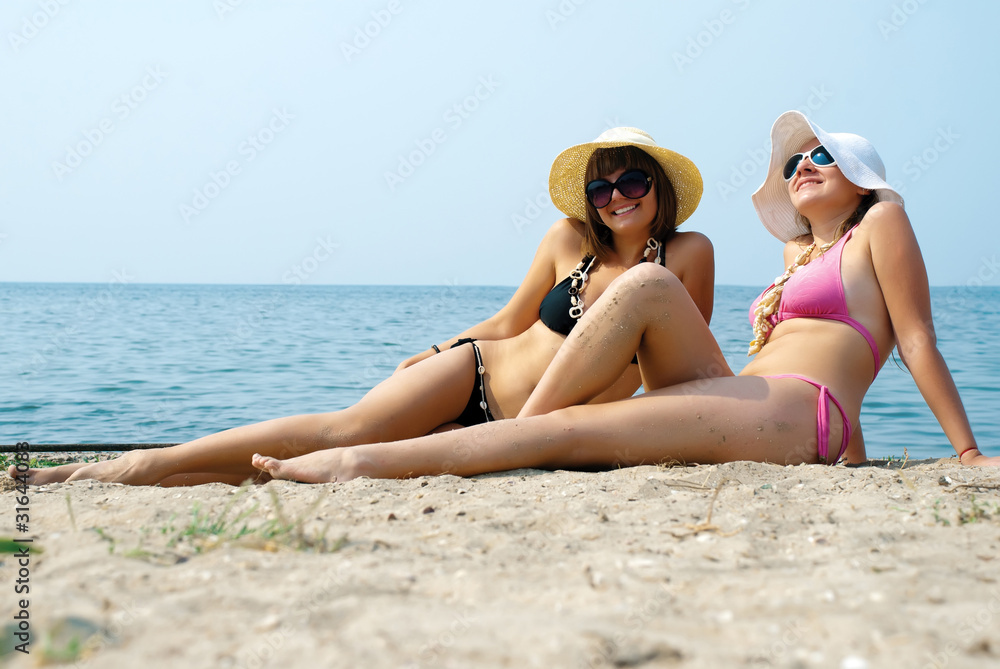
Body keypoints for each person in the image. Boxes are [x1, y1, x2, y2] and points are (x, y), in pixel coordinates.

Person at [250, 110, 997, 483]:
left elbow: (914, 339)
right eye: (794, 160)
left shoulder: (882, 221)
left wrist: (963, 451)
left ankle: (382, 462)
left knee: (597, 375)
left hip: (804, 405)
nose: (803, 163)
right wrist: (850, 461)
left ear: (861, 176)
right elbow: (778, 362)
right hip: (765, 399)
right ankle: (510, 439)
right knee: (646, 286)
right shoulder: (796, 254)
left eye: (822, 155)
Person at [15, 128, 716, 486]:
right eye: (603, 187)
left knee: (338, 462)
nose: (617, 196)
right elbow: (508, 324)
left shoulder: (686, 255)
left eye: (632, 180)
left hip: (539, 428)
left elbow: (676, 379)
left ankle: (141, 473)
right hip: (477, 374)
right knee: (341, 429)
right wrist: (442, 350)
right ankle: (127, 468)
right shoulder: (569, 239)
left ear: (658, 186)